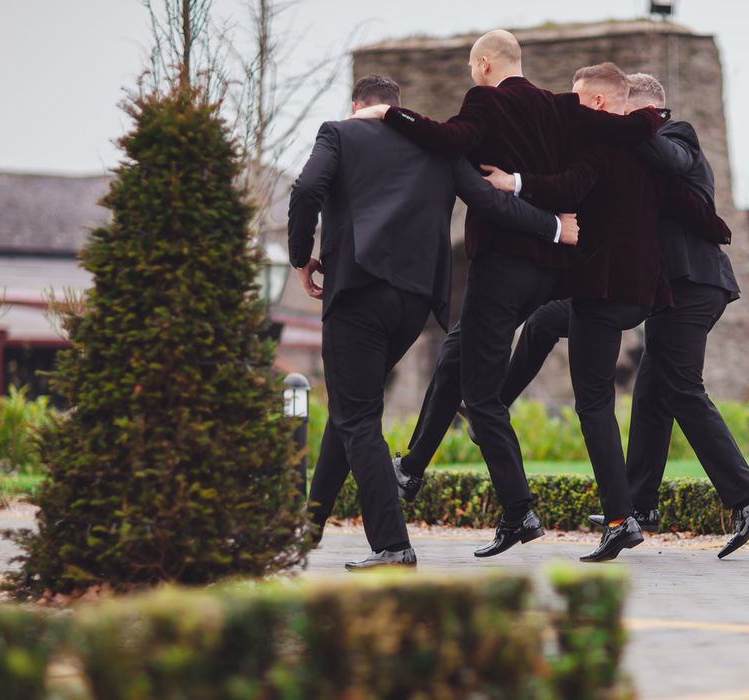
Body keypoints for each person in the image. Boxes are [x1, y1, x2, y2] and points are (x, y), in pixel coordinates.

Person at [354, 30, 667, 558]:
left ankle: (518, 510)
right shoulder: (553, 104)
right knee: (457, 350)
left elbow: (449, 138)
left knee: (480, 396)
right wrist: (653, 115)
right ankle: (410, 469)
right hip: (549, 273)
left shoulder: (485, 99)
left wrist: (389, 114)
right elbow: (618, 121)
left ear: (482, 64)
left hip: (504, 265)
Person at [288, 74, 576, 571]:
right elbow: (489, 201)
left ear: (357, 104)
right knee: (350, 404)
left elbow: (308, 187)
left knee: (357, 417)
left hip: (357, 292)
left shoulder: (338, 133)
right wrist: (552, 226)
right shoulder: (436, 149)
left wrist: (299, 258)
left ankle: (392, 545)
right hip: (417, 302)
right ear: (397, 107)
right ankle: (310, 524)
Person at [486, 63, 731, 561]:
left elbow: (582, 184)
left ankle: (642, 514)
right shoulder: (633, 150)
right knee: (634, 384)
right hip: (645, 291)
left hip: (653, 286)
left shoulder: (663, 136)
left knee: (646, 396)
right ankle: (634, 504)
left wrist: (514, 182)